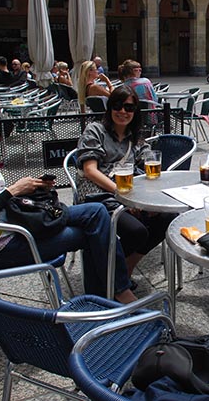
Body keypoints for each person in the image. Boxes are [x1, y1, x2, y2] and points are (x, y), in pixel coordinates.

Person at [0, 88, 135, 303]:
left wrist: (31, 188)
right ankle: (112, 295)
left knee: (97, 212)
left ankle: (105, 295)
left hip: (17, 224)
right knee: (93, 232)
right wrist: (12, 191)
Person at [76, 85, 175, 278]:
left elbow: (148, 159)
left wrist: (149, 198)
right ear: (110, 108)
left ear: (135, 112)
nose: (123, 111)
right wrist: (123, 195)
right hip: (98, 197)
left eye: (129, 108)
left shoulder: (134, 136)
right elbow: (90, 171)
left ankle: (124, 269)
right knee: (136, 232)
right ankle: (111, 272)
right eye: (117, 106)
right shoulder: (95, 130)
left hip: (128, 195)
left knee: (167, 217)